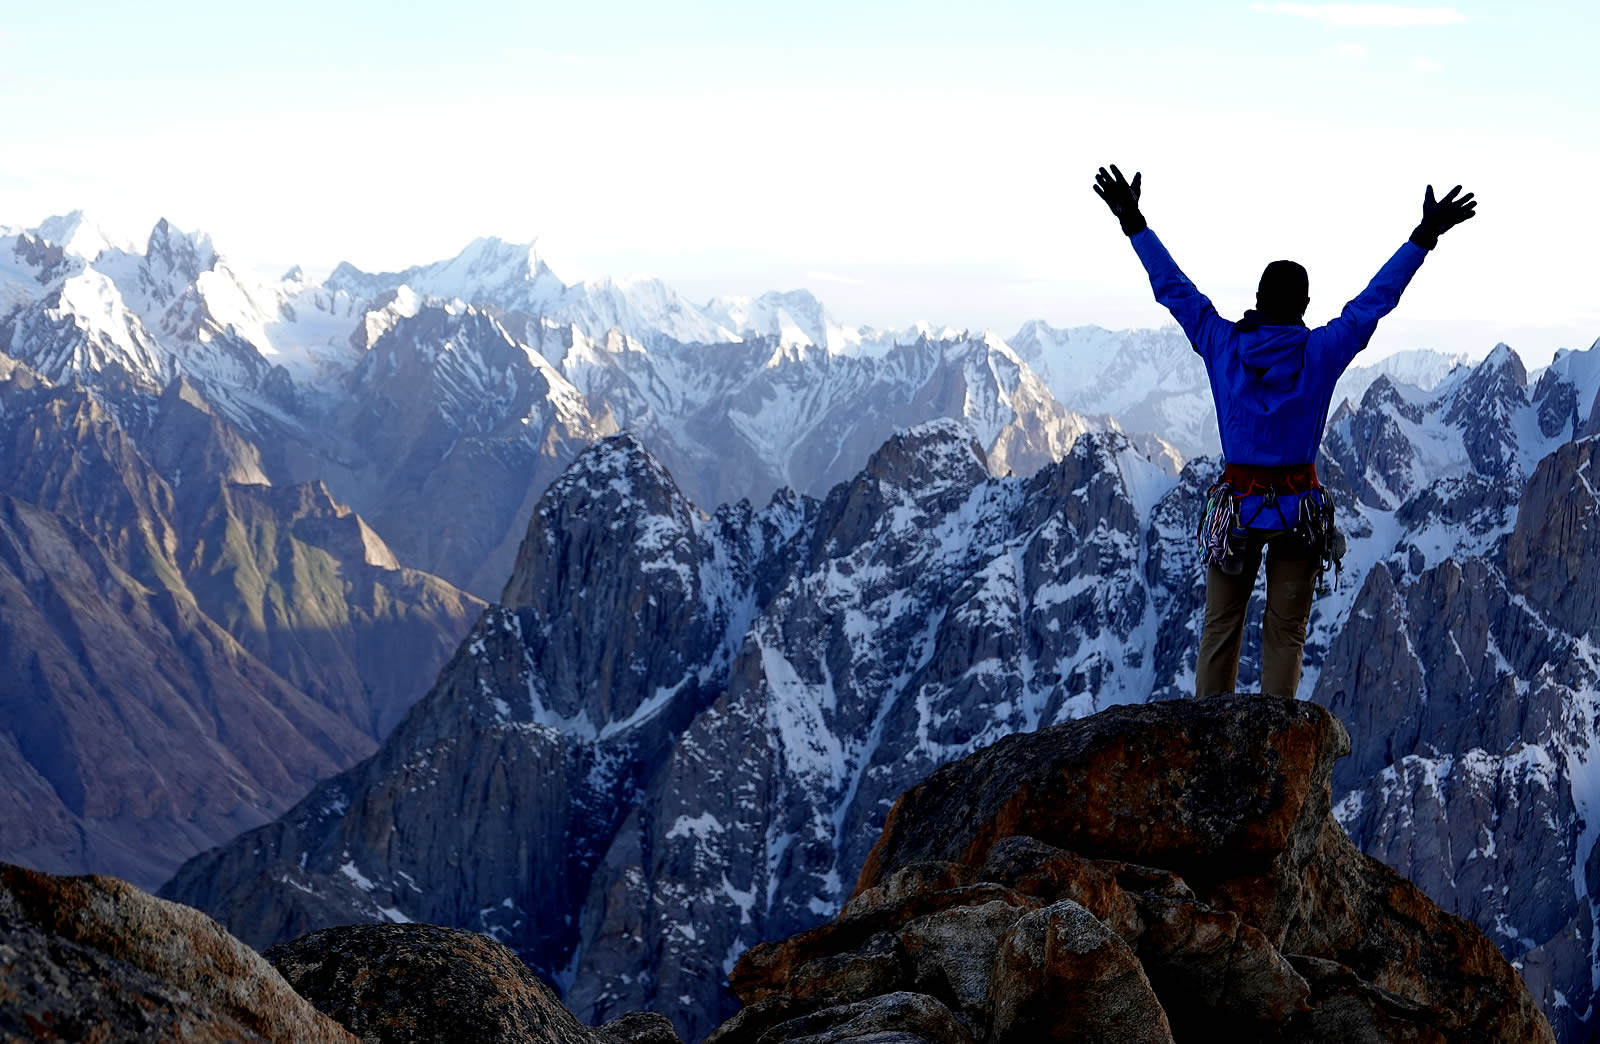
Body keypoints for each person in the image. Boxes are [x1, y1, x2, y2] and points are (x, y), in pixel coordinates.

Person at [1091, 163, 1477, 699]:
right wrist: (1423, 238)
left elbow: (1174, 289)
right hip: (1299, 512)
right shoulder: (1321, 353)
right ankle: (1275, 740)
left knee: (1220, 627)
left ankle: (1210, 733)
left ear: (1257, 297)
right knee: (1286, 634)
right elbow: (1374, 302)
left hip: (1236, 510)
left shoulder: (1221, 343)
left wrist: (1132, 221)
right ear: (1304, 307)